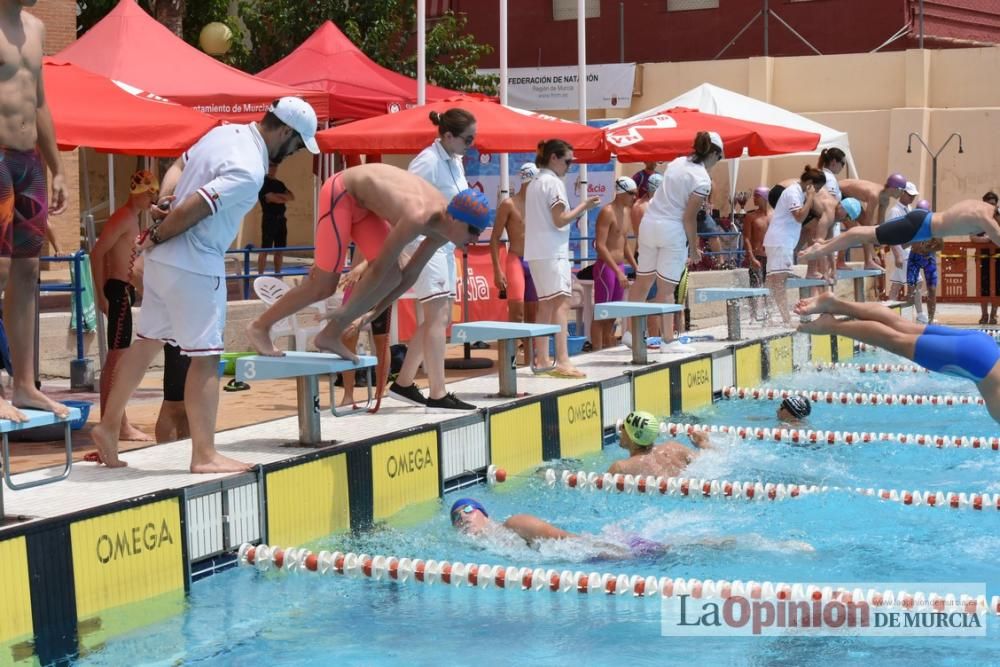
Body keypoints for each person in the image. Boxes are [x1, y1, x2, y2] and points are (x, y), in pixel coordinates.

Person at [91, 96, 320, 471]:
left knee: (147, 343)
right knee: (206, 357)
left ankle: (109, 425)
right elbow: (195, 208)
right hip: (194, 264)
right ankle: (205, 454)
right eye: (295, 145)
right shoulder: (248, 168)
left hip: (164, 266)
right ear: (283, 130)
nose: (293, 153)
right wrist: (157, 233)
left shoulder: (223, 133)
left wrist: (163, 199)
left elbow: (180, 164)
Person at [246, 164, 489, 375]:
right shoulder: (419, 217)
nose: (475, 239)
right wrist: (347, 311)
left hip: (365, 207)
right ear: (457, 219)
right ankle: (260, 326)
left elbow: (408, 276)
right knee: (324, 285)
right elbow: (378, 269)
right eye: (473, 232)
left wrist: (371, 313)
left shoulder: (443, 230)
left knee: (395, 274)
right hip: (342, 193)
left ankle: (330, 335)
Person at [0, 0, 70, 423]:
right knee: (2, 269)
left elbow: (39, 100)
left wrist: (58, 167)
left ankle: (25, 384)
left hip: (29, 162)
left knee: (28, 269)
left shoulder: (36, 28)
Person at [387, 109, 479, 412]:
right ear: (448, 135)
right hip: (423, 244)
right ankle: (438, 392)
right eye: (468, 139)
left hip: (444, 244)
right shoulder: (426, 162)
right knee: (438, 317)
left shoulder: (455, 160)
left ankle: (403, 384)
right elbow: (404, 203)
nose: (472, 144)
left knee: (437, 318)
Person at [795, 292, 1000, 424]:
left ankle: (834, 303)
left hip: (985, 347)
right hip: (973, 362)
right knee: (894, 340)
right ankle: (830, 325)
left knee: (902, 326)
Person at [625, 132, 720, 349]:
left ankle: (629, 333)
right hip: (671, 229)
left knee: (643, 282)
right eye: (719, 158)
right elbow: (689, 218)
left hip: (649, 225)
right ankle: (668, 340)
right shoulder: (702, 179)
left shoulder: (677, 162)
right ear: (714, 153)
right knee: (666, 289)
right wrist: (694, 249)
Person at [89, 170, 160, 442]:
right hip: (117, 294)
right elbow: (97, 253)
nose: (150, 202)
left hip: (122, 293)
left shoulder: (132, 219)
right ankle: (115, 425)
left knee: (117, 361)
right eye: (149, 196)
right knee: (115, 363)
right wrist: (101, 295)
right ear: (142, 193)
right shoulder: (123, 218)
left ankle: (118, 422)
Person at [524, 139, 600, 378]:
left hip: (537, 252)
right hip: (551, 251)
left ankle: (543, 359)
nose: (570, 166)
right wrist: (584, 206)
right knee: (561, 303)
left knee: (546, 305)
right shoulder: (553, 183)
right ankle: (562, 360)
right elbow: (560, 219)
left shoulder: (535, 182)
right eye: (568, 161)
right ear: (554, 158)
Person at [449, 497, 666, 560]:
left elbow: (568, 539)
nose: (463, 517)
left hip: (606, 554)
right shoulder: (479, 548)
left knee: (670, 549)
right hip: (585, 566)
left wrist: (621, 553)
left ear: (483, 512)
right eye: (456, 518)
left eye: (466, 509)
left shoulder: (515, 523)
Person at [799, 198, 1000, 264]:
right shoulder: (985, 218)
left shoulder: (980, 205)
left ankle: (823, 244)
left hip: (921, 222)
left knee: (866, 233)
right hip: (920, 227)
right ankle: (820, 250)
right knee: (863, 233)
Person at [763, 166, 827, 325]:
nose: (817, 192)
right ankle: (785, 319)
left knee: (772, 281)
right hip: (780, 242)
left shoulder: (796, 192)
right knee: (778, 282)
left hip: (780, 242)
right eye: (817, 188)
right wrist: (811, 197)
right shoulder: (793, 192)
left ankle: (766, 315)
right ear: (810, 184)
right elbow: (799, 217)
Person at [490, 162, 540, 365]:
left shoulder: (540, 205)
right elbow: (494, 239)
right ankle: (510, 361)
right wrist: (497, 270)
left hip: (535, 262)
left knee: (533, 316)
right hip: (516, 260)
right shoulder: (509, 204)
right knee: (516, 312)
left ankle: (529, 361)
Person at [590, 177, 638, 351]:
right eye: (632, 194)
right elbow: (601, 246)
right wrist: (617, 273)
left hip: (618, 267)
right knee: (601, 313)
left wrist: (635, 266)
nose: (635, 198)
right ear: (621, 193)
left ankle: (607, 347)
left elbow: (623, 243)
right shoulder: (607, 212)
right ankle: (596, 350)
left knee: (613, 313)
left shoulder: (626, 213)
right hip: (606, 268)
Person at [608, 410, 712, 477]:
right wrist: (703, 444)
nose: (621, 428)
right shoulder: (674, 448)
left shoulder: (621, 468)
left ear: (633, 436)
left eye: (624, 427)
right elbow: (709, 459)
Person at [837, 174, 908, 269]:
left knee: (864, 229)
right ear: (895, 188)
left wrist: (881, 247)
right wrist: (874, 253)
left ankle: (868, 262)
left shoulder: (885, 199)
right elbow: (867, 225)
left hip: (850, 197)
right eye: (902, 191)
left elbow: (881, 226)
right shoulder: (875, 195)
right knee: (854, 229)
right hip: (839, 192)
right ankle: (840, 261)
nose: (902, 194)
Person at [630, 172, 664, 339]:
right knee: (653, 301)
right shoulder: (651, 207)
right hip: (651, 255)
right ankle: (653, 337)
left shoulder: (637, 205)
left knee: (644, 297)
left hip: (642, 253)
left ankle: (638, 334)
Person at [257, 161, 294, 275]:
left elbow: (291, 196)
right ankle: (260, 275)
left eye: (275, 166)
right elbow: (270, 198)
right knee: (265, 249)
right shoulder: (263, 183)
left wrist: (279, 196)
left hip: (281, 219)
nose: (274, 168)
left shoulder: (279, 184)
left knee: (280, 250)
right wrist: (282, 197)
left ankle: (278, 274)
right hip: (270, 218)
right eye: (271, 166)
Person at [886, 181, 919, 301]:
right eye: (910, 195)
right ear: (902, 193)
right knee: (916, 283)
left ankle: (889, 310)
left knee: (897, 285)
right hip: (902, 254)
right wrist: (898, 256)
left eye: (913, 196)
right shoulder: (895, 211)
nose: (912, 198)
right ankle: (916, 312)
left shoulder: (909, 209)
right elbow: (891, 234)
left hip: (908, 251)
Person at [742, 186, 771, 320]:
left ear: (764, 197)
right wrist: (751, 257)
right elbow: (746, 238)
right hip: (757, 256)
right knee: (754, 287)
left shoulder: (774, 215)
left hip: (771, 257)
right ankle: (753, 316)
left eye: (756, 196)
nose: (753, 198)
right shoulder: (750, 216)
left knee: (769, 286)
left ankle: (767, 313)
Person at [973, 191, 1000, 325]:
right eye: (988, 204)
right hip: (983, 258)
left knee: (998, 287)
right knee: (983, 287)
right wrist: (988, 240)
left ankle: (994, 315)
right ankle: (984, 315)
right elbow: (973, 238)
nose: (991, 207)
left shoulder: (999, 218)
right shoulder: (978, 220)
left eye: (994, 205)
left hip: (998, 258)